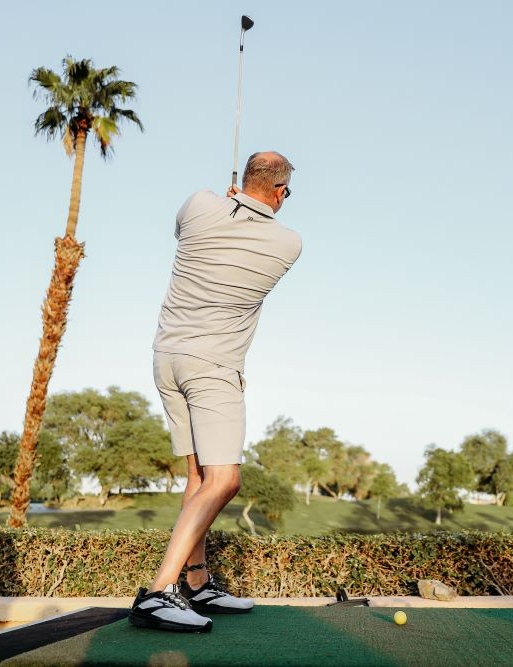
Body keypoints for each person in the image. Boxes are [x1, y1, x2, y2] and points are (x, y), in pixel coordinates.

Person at [129, 151, 302, 633]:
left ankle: (197, 582)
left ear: (240, 181)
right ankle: (159, 591)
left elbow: (201, 220)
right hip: (212, 367)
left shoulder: (199, 204)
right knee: (225, 481)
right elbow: (252, 224)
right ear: (280, 193)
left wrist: (229, 201)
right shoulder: (288, 242)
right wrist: (245, 206)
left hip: (167, 360)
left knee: (198, 477)